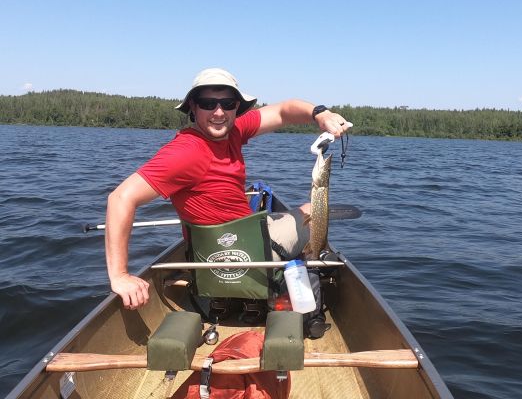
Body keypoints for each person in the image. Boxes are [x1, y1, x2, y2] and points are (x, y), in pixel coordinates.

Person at [106, 68, 351, 310]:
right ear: (193, 107)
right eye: (208, 103)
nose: (219, 112)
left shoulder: (233, 130)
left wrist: (320, 113)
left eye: (227, 103)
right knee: (313, 211)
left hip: (234, 242)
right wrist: (120, 275)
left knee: (294, 214)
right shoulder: (186, 152)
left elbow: (282, 111)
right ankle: (301, 272)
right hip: (246, 252)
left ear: (237, 107)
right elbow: (120, 198)